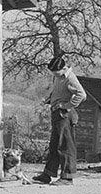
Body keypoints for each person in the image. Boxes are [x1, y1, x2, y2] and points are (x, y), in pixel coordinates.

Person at [35, 55, 86, 185]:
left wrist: (66, 106)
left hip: (65, 115)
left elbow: (82, 94)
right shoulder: (58, 77)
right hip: (56, 113)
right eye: (53, 73)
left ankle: (67, 178)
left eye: (56, 72)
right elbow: (58, 92)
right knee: (54, 145)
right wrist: (49, 100)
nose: (55, 75)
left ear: (63, 68)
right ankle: (48, 174)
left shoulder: (70, 78)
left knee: (65, 146)